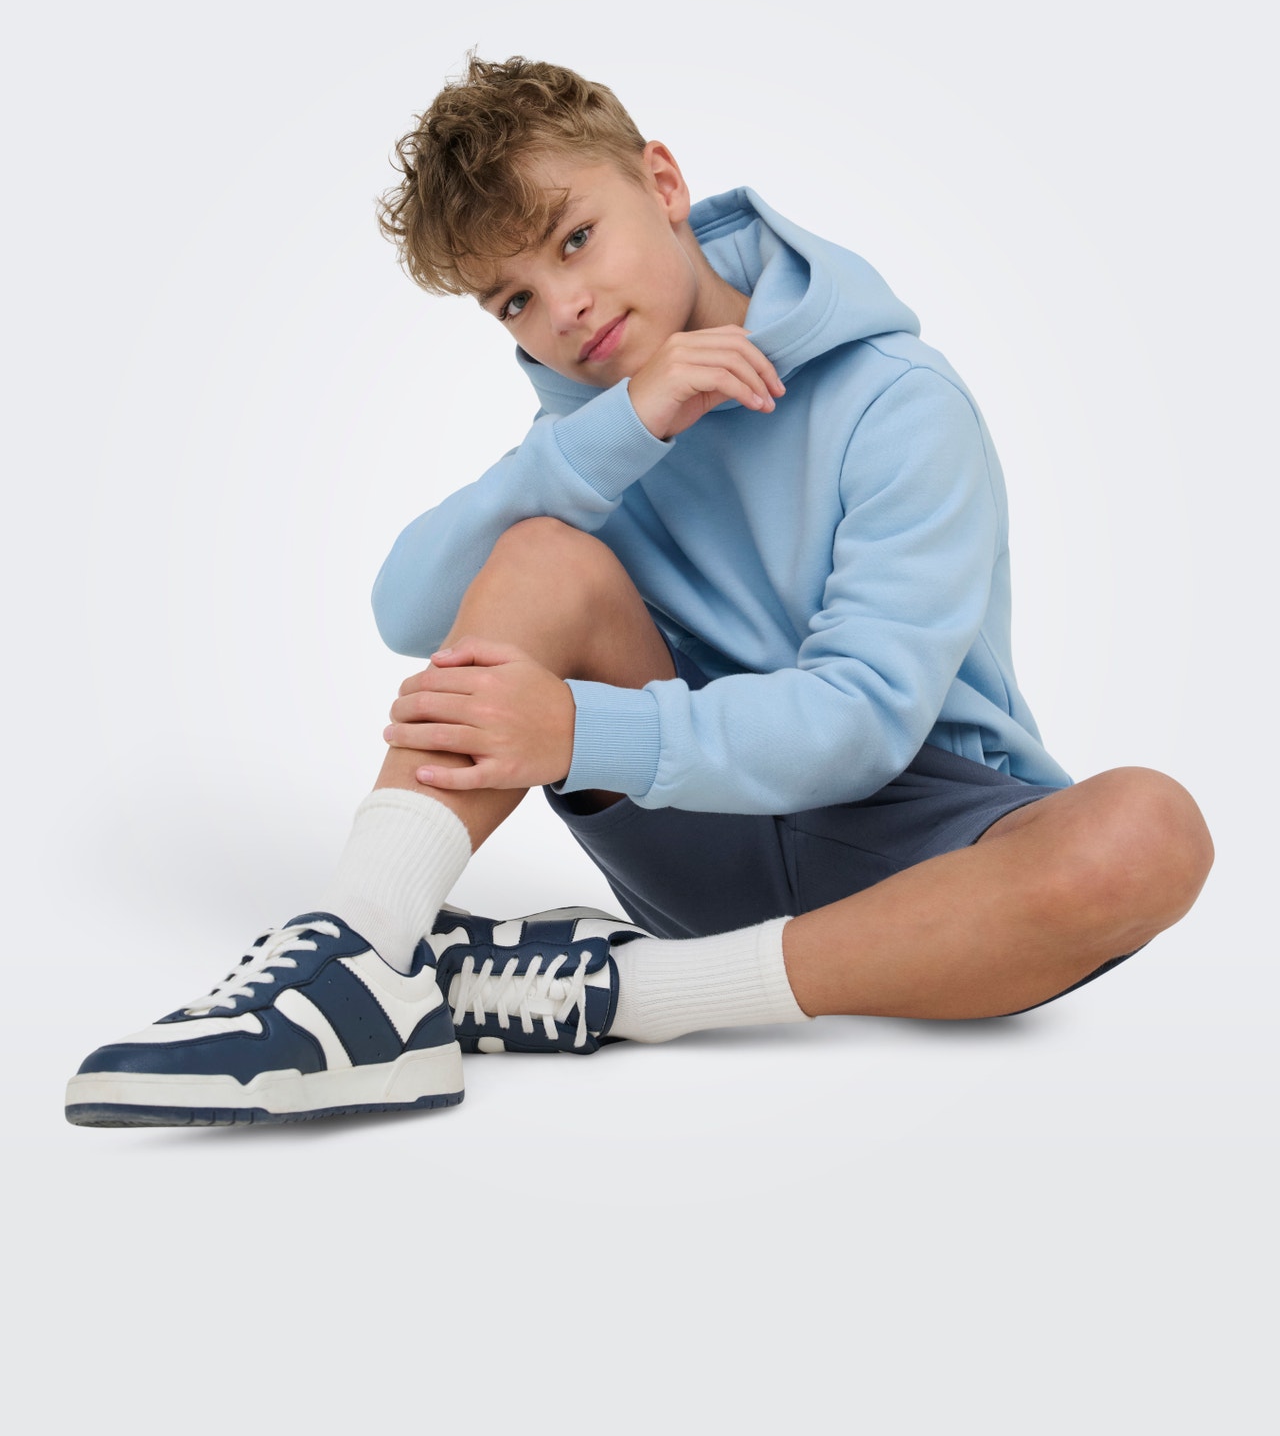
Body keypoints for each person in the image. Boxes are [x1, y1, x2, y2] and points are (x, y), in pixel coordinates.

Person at [65, 54, 1215, 1127]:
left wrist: (576, 731)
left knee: (1146, 832)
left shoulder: (897, 401)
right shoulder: (593, 440)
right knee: (541, 559)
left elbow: (862, 725)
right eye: (512, 301)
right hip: (701, 840)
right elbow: (403, 610)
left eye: (574, 239)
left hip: (918, 846)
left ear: (662, 184)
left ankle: (620, 993)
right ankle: (358, 955)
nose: (560, 309)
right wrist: (615, 433)